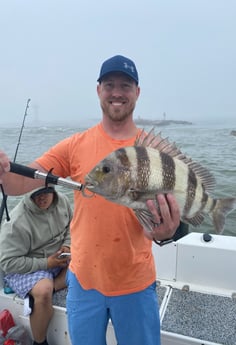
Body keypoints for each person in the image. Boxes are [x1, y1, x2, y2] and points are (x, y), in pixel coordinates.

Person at [0, 55, 182, 345]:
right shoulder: (75, 146)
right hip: (83, 282)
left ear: (137, 92)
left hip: (135, 281)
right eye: (109, 84)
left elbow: (172, 212)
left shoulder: (155, 151)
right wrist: (4, 172)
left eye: (126, 85)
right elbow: (19, 182)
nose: (117, 92)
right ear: (99, 90)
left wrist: (167, 232)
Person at [0, 185, 72, 345]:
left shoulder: (64, 202)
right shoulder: (17, 222)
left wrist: (67, 245)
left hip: (57, 258)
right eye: (37, 193)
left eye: (47, 192)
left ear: (53, 190)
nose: (42, 197)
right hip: (28, 264)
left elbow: (71, 227)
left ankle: (45, 291)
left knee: (92, 262)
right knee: (44, 290)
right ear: (27, 192)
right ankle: (39, 342)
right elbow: (8, 263)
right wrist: (46, 263)